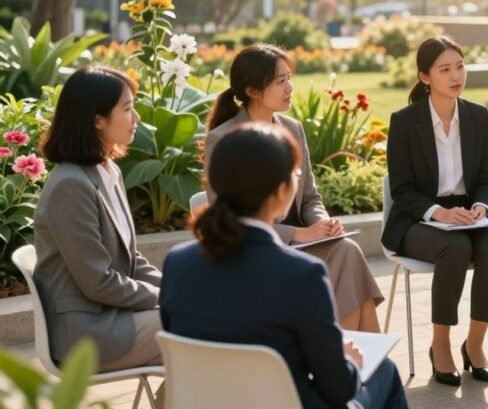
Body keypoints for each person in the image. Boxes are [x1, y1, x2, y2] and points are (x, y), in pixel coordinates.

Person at [161, 124, 408, 409]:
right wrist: (348, 361)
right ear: (281, 192)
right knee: (384, 371)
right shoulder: (302, 275)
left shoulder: (177, 264)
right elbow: (339, 389)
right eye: (295, 174)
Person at [205, 44, 383, 331]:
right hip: (253, 253)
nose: (289, 87)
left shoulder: (293, 128)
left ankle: (353, 359)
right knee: (348, 265)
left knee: (346, 249)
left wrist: (323, 224)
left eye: (290, 78)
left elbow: (310, 197)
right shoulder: (223, 139)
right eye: (280, 81)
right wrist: (299, 233)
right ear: (251, 90)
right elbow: (230, 220)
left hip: (304, 244)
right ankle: (355, 360)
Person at [384, 36, 488, 387]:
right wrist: (439, 213)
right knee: (455, 248)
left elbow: (487, 178)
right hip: (417, 219)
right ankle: (440, 346)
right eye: (445, 69)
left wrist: (481, 207)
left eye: (460, 66)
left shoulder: (477, 116)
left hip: (467, 216)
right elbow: (402, 190)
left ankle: (475, 344)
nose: (456, 76)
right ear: (425, 77)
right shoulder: (405, 121)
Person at [33, 66, 163, 371]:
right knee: (196, 326)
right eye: (128, 109)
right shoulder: (70, 185)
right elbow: (98, 281)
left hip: (112, 315)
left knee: (200, 330)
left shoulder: (108, 170)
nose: (137, 118)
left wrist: (176, 287)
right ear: (97, 120)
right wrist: (165, 297)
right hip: (87, 333)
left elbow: (130, 261)